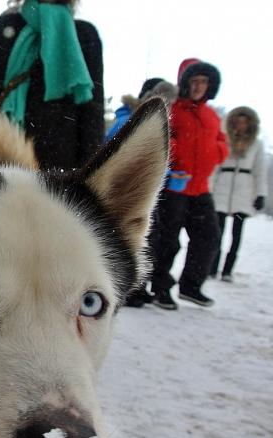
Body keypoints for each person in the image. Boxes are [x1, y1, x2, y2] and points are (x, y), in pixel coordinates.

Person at [0, 0, 104, 171]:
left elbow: (92, 113)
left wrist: (91, 171)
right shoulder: (3, 28)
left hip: (59, 170)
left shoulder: (85, 35)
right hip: (3, 156)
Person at [151, 58, 228, 310]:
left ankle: (191, 286)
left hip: (201, 188)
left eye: (204, 82)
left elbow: (221, 142)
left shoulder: (212, 115)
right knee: (167, 240)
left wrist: (217, 153)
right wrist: (176, 155)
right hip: (174, 187)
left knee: (208, 237)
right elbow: (161, 137)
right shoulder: (171, 108)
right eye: (194, 81)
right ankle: (161, 287)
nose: (199, 87)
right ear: (184, 83)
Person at [104, 77, 178, 308]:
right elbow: (111, 157)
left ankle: (139, 288)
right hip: (124, 195)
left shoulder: (141, 121)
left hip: (150, 192)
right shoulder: (127, 121)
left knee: (153, 239)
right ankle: (133, 290)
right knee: (143, 239)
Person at [209, 106, 267, 282]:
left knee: (236, 235)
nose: (242, 125)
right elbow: (215, 168)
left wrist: (260, 194)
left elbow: (260, 170)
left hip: (244, 192)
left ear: (251, 124)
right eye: (238, 121)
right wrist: (209, 190)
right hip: (222, 190)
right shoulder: (224, 141)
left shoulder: (256, 144)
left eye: (245, 122)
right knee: (217, 233)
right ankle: (212, 267)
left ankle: (227, 270)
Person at [105, 77, 177, 142]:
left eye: (169, 104)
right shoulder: (129, 122)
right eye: (163, 104)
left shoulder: (153, 126)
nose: (167, 109)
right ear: (149, 100)